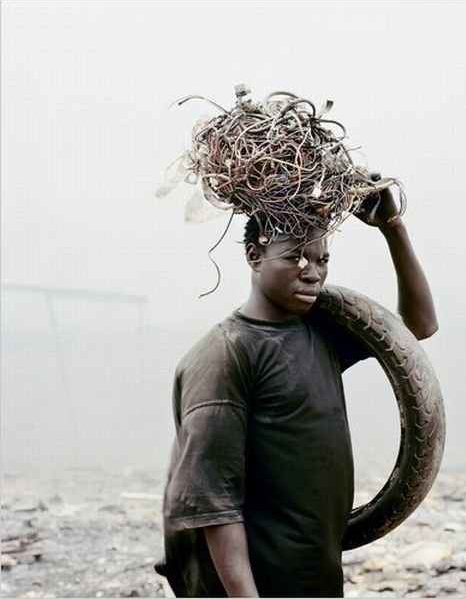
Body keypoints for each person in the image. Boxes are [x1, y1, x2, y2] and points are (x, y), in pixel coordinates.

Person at [155, 186, 438, 598]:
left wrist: (392, 228)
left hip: (312, 571)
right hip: (253, 583)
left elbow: (417, 326)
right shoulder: (226, 354)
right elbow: (214, 503)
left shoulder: (320, 334)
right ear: (253, 255)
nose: (312, 272)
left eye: (322, 259)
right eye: (294, 257)